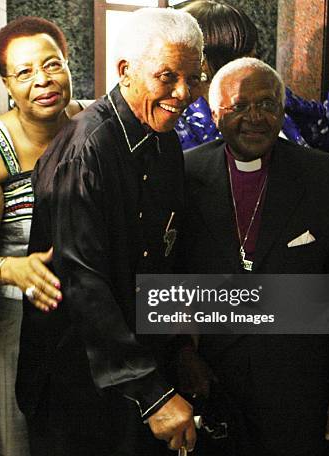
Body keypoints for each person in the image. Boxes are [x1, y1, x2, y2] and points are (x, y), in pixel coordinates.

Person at [16, 8, 203, 456]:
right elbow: (83, 283)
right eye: (167, 77)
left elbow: (162, 258)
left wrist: (180, 349)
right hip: (77, 384)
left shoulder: (165, 140)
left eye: (193, 78)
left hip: (139, 370)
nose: (183, 94)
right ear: (125, 71)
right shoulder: (83, 151)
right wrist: (152, 392)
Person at [180, 57, 329, 455]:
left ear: (282, 112)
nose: (256, 117)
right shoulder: (183, 175)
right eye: (239, 106)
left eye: (267, 105)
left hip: (301, 389)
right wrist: (180, 352)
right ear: (215, 114)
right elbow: (168, 274)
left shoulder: (326, 178)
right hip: (213, 385)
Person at [0, 16, 84, 456]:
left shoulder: (92, 126)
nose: (42, 80)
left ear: (69, 67)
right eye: (24, 72)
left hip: (81, 323)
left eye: (52, 65)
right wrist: (13, 270)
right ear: (7, 84)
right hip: (7, 328)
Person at [174, 0, 329, 153]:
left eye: (254, 56)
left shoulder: (270, 97)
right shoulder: (176, 125)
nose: (252, 67)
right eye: (239, 58)